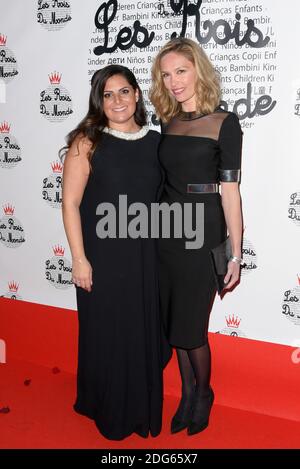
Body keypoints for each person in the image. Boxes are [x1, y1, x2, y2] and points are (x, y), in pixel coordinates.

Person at [60, 65, 171, 440]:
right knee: (107, 333)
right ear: (99, 101)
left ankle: (140, 409)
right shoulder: (87, 141)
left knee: (141, 333)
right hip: (102, 259)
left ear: (137, 95)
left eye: (124, 92)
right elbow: (70, 203)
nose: (117, 101)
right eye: (108, 95)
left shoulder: (157, 142)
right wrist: (79, 258)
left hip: (146, 257)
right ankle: (105, 406)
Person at [150, 38, 243, 436]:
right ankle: (187, 393)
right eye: (166, 75)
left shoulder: (225, 123)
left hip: (203, 229)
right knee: (176, 326)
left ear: (197, 70)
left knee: (191, 327)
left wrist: (235, 254)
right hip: (165, 229)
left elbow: (231, 193)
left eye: (181, 71)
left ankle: (203, 394)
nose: (173, 82)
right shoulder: (166, 122)